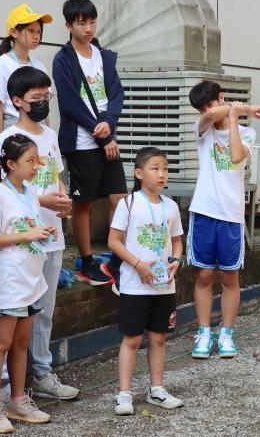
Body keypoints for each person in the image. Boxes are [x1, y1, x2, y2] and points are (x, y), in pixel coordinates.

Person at [0, 66, 78, 400]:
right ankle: (11, 384)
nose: (43, 102)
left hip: (51, 234)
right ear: (17, 101)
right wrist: (41, 199)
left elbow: (57, 177)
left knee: (44, 311)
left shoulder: (50, 136)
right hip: (20, 242)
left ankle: (41, 373)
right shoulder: (6, 140)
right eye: (36, 98)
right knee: (17, 313)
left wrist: (63, 200)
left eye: (46, 96)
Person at [0, 135, 57, 432]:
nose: (37, 166)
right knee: (1, 342)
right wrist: (27, 235)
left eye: (37, 160)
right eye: (30, 161)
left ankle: (18, 399)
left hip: (31, 276)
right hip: (9, 279)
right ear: (11, 164)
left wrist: (40, 230)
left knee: (21, 343)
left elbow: (26, 226)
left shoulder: (29, 191)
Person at [52, 0, 126, 287]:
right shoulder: (63, 59)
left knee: (119, 197)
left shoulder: (103, 55)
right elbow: (70, 103)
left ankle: (117, 254)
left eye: (92, 21)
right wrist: (102, 131)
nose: (88, 28)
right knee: (83, 204)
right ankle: (85, 260)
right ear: (69, 25)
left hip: (106, 136)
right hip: (82, 141)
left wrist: (110, 124)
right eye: (81, 23)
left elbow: (116, 93)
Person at [186, 81, 260, 360]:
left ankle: (226, 332)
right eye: (203, 107)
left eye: (211, 103)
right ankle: (204, 332)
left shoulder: (247, 133)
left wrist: (234, 117)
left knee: (230, 276)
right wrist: (241, 108)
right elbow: (207, 117)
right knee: (204, 274)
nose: (208, 110)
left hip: (231, 215)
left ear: (222, 97)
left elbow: (235, 155)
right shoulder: (203, 130)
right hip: (205, 211)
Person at [107, 147, 185, 416]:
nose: (161, 173)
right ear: (139, 173)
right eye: (155, 168)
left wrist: (176, 260)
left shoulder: (171, 206)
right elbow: (113, 241)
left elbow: (176, 240)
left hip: (164, 285)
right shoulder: (128, 204)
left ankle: (157, 389)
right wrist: (138, 264)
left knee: (159, 337)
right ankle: (124, 394)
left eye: (164, 168)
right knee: (131, 338)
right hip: (134, 285)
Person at [0, 3, 52, 138]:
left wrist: (49, 135)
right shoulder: (0, 65)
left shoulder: (40, 66)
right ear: (14, 32)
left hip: (40, 129)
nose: (36, 36)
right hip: (14, 130)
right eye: (31, 31)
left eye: (39, 31)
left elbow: (45, 107)